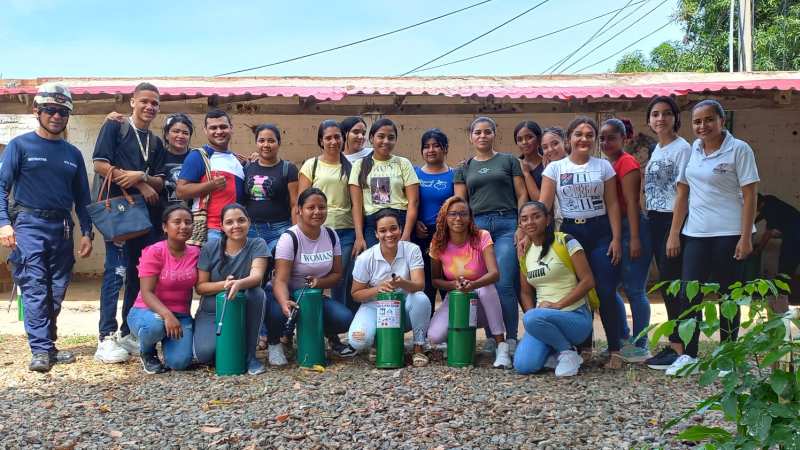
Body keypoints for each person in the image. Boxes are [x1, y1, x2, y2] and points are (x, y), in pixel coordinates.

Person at [0, 82, 94, 372]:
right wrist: (4, 223)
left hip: (63, 227)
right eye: (50, 110)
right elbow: (1, 188)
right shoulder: (20, 146)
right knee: (36, 287)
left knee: (57, 288)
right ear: (37, 111)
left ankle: (48, 346)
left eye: (62, 112)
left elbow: (82, 197)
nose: (56, 116)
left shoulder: (73, 153)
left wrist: (88, 232)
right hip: (29, 224)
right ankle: (40, 349)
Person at [663, 99, 759, 376]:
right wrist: (674, 234)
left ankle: (728, 356)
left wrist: (746, 237)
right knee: (687, 294)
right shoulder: (693, 150)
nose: (702, 126)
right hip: (696, 233)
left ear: (722, 121)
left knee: (728, 296)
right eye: (697, 121)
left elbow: (750, 194)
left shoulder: (739, 149)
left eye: (708, 120)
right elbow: (682, 193)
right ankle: (689, 355)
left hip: (729, 234)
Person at [539, 116, 624, 369]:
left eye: (589, 134)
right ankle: (584, 347)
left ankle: (615, 350)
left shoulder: (604, 167)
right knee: (577, 292)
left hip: (600, 232)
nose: (583, 139)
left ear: (595, 139)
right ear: (569, 139)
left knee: (606, 291)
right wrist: (529, 236)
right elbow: (543, 206)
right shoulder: (555, 168)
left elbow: (612, 204)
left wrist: (617, 238)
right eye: (578, 134)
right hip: (569, 234)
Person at [92, 82, 166, 363]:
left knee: (139, 274)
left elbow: (159, 181)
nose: (149, 107)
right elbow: (99, 164)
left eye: (155, 103)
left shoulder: (156, 142)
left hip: (144, 219)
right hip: (120, 214)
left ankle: (127, 331)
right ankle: (106, 337)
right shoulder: (116, 127)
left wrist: (143, 179)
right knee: (116, 273)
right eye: (144, 101)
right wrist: (132, 177)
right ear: (132, 101)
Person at [454, 116, 527, 356]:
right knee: (485, 284)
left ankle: (512, 337)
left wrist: (520, 225)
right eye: (478, 132)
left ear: (494, 134)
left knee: (504, 282)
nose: (482, 136)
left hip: (507, 223)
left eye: (487, 132)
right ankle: (492, 337)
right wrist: (465, 231)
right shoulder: (464, 168)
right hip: (479, 227)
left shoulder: (508, 161)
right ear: (471, 136)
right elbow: (461, 202)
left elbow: (522, 194)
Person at [266, 188, 356, 365]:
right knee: (277, 313)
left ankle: (329, 335)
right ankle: (275, 342)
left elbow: (337, 274)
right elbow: (280, 280)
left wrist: (320, 282)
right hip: (287, 294)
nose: (317, 212)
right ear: (299, 210)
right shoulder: (289, 237)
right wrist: (285, 303)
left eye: (322, 207)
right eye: (311, 207)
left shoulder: (331, 235)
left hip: (313, 297)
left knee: (345, 318)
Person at [638, 96, 692, 370]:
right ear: (649, 121)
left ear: (675, 118)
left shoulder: (683, 149)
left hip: (675, 221)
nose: (660, 119)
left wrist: (674, 233)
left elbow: (682, 192)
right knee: (668, 287)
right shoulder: (658, 149)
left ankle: (683, 350)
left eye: (666, 114)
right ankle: (675, 346)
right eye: (655, 114)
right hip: (656, 220)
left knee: (676, 286)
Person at [427, 196, 512, 369]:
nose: (458, 218)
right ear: (445, 217)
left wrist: (472, 285)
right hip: (458, 299)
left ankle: (501, 347)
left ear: (470, 216)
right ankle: (460, 341)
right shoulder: (438, 242)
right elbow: (435, 280)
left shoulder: (482, 236)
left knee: (487, 288)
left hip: (484, 304)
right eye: (452, 214)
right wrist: (453, 285)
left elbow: (495, 274)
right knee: (434, 337)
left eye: (463, 214)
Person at [514, 202, 594, 376]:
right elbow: (525, 292)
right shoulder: (524, 252)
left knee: (532, 316)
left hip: (575, 317)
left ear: (548, 219)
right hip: (542, 319)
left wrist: (557, 305)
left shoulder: (565, 241)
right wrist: (532, 320)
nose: (530, 222)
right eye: (524, 219)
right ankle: (556, 351)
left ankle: (568, 352)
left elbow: (588, 281)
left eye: (536, 216)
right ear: (520, 225)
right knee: (523, 366)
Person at [348, 209, 432, 366]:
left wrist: (402, 283)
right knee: (358, 340)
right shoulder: (365, 258)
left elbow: (420, 285)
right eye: (383, 230)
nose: (389, 234)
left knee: (420, 298)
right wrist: (377, 289)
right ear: (376, 234)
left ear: (400, 229)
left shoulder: (411, 249)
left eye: (393, 228)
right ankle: (378, 342)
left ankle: (418, 346)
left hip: (405, 307)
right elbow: (356, 294)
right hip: (375, 306)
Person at [599, 118, 653, 363]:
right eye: (602, 138)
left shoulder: (627, 162)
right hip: (615, 229)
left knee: (635, 289)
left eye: (611, 137)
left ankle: (641, 344)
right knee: (610, 290)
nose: (605, 142)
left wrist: (634, 239)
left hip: (633, 228)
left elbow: (632, 202)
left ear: (624, 139)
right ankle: (623, 338)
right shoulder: (607, 164)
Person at [193, 204, 268, 375]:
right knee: (205, 354)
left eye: (241, 220)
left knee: (257, 293)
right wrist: (223, 285)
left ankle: (250, 355)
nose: (236, 226)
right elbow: (200, 287)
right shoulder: (210, 247)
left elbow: (257, 277)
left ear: (249, 222)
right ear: (221, 226)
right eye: (229, 222)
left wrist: (238, 284)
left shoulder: (258, 243)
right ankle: (232, 345)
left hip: (244, 304)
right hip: (213, 308)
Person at [127, 205, 198, 373]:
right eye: (177, 222)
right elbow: (146, 292)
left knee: (179, 363)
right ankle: (147, 351)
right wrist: (167, 315)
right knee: (155, 326)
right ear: (165, 227)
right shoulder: (155, 251)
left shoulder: (196, 252)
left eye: (188, 222)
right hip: (147, 311)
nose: (183, 226)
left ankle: (169, 344)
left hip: (181, 315)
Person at [298, 120, 356, 311]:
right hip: (317, 233)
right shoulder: (311, 165)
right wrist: (298, 234)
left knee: (339, 278)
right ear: (321, 141)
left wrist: (360, 235)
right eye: (328, 137)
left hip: (346, 231)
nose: (333, 141)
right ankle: (317, 319)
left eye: (337, 137)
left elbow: (357, 204)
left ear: (343, 138)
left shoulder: (351, 168)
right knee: (315, 277)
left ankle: (340, 327)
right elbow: (301, 202)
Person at [350, 118, 420, 251]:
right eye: (381, 136)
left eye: (391, 137)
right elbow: (356, 205)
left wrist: (406, 233)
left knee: (401, 267)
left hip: (400, 222)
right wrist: (359, 237)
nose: (386, 141)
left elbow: (413, 201)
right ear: (371, 138)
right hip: (372, 224)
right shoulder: (359, 165)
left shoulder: (403, 163)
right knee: (375, 266)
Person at [177, 109, 245, 241]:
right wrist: (211, 185)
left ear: (231, 128)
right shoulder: (198, 156)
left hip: (237, 231)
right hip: (210, 230)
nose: (219, 131)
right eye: (213, 128)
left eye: (223, 127)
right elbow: (181, 191)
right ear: (205, 130)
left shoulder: (237, 160)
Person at [413, 129, 454, 311]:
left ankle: (449, 324)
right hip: (420, 234)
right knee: (426, 281)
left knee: (446, 278)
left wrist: (444, 227)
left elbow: (459, 203)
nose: (431, 150)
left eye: (436, 146)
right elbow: (410, 202)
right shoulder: (414, 173)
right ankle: (426, 326)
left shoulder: (455, 174)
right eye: (426, 146)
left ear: (445, 149)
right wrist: (414, 223)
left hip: (447, 233)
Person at [244, 124, 298, 252]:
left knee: (276, 265)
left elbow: (295, 204)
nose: (266, 145)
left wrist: (297, 233)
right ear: (256, 143)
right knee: (255, 268)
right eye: (261, 141)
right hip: (251, 230)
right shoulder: (247, 168)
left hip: (280, 229)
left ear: (279, 143)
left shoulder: (288, 169)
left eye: (271, 141)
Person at [755, 193, 800, 276]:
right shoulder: (768, 199)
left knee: (785, 265)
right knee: (790, 264)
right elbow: (763, 213)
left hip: (794, 237)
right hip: (794, 233)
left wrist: (758, 250)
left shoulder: (769, 210)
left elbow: (768, 234)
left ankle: (783, 285)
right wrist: (754, 222)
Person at [514, 120, 544, 200]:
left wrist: (526, 173)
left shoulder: (547, 164)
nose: (524, 142)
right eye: (520, 139)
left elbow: (540, 202)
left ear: (539, 139)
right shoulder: (514, 165)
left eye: (529, 137)